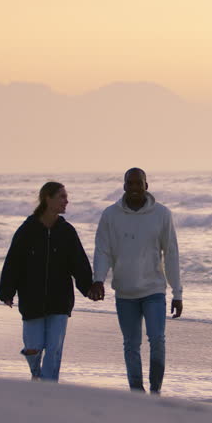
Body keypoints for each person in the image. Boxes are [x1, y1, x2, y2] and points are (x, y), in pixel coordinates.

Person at [88, 168, 183, 395]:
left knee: (157, 339)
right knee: (131, 345)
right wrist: (98, 279)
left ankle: (156, 390)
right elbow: (103, 251)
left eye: (138, 184)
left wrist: (177, 293)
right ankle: (136, 392)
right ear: (124, 186)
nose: (134, 188)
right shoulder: (110, 215)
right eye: (129, 184)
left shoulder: (162, 214)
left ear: (146, 186)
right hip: (125, 293)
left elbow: (171, 254)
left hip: (154, 290)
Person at [0, 181, 96, 382]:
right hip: (31, 300)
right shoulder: (27, 230)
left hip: (60, 301)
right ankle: (36, 375)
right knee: (33, 348)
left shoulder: (67, 232)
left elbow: (79, 263)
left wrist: (89, 288)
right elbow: (13, 262)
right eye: (62, 196)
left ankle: (48, 386)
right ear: (47, 199)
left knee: (54, 349)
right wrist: (7, 291)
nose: (66, 201)